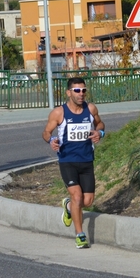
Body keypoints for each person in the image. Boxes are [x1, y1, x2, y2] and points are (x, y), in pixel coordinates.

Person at [42, 77, 105, 249]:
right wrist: (52, 140)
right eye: (77, 90)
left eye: (84, 90)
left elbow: (100, 124)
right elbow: (46, 132)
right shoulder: (58, 113)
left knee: (87, 201)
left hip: (86, 161)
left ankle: (68, 206)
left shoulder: (91, 109)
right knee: (77, 196)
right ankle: (80, 234)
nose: (81, 94)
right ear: (69, 93)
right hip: (67, 161)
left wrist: (100, 133)